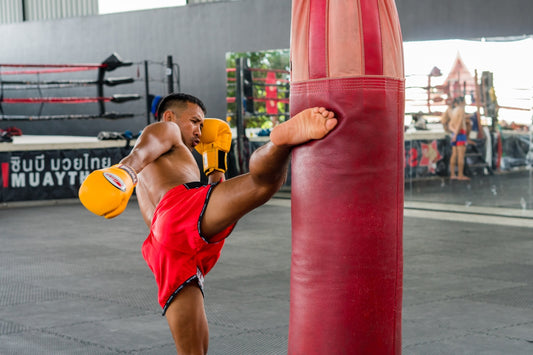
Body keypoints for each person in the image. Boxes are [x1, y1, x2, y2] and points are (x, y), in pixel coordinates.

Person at [78, 93, 337, 354]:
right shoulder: (165, 130)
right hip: (178, 211)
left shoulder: (174, 157)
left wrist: (216, 164)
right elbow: (144, 148)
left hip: (168, 244)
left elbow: (216, 199)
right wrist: (125, 172)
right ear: (170, 116)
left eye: (201, 124)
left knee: (193, 351)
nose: (199, 131)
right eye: (194, 121)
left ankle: (281, 143)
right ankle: (280, 143)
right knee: (263, 183)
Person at [447, 96, 470, 180]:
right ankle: (460, 175)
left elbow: (450, 125)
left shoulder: (453, 111)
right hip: (460, 134)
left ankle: (453, 174)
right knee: (461, 156)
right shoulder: (461, 109)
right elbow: (460, 123)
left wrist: (454, 133)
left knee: (454, 155)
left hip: (454, 134)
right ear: (461, 102)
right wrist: (456, 134)